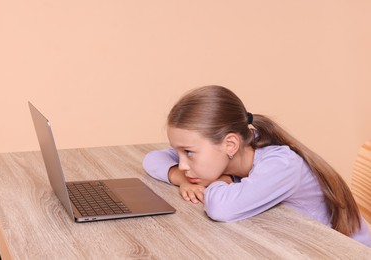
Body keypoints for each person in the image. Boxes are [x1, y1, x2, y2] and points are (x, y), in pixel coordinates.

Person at [142, 85, 371, 247]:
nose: (182, 164)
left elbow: (221, 208)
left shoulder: (281, 165)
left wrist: (221, 181)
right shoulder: (236, 150)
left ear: (230, 144)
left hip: (347, 251)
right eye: (179, 152)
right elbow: (152, 159)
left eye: (189, 153)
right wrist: (182, 179)